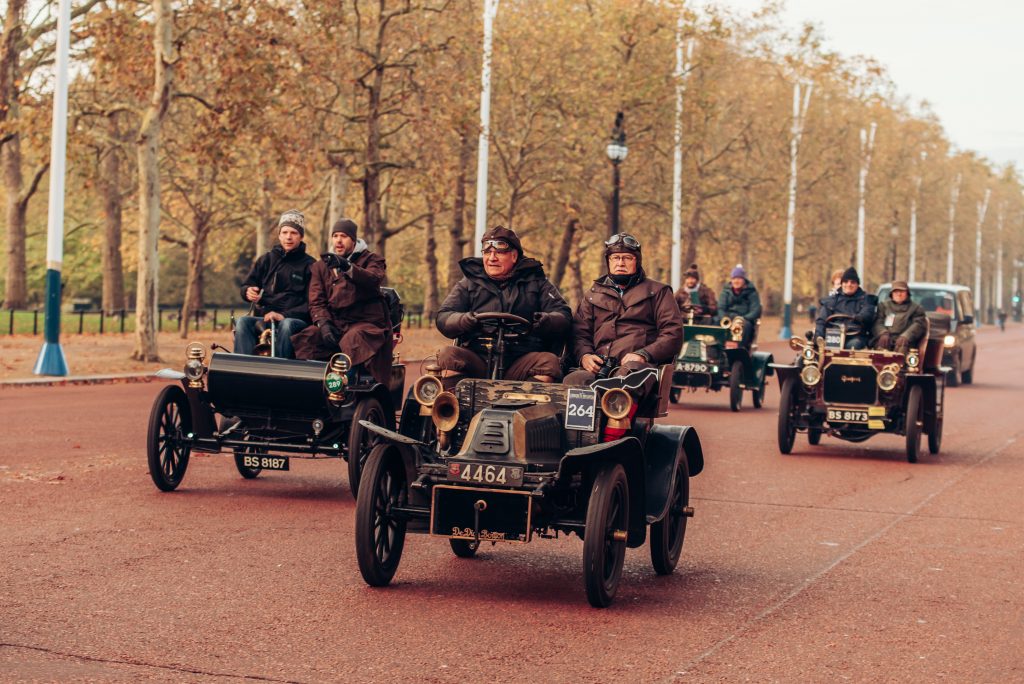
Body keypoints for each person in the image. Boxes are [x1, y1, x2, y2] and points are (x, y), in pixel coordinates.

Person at [435, 226, 571, 382]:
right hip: (477, 359)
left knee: (548, 362)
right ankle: (451, 405)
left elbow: (564, 315)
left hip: (521, 361)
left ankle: (527, 405)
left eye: (499, 253)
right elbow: (443, 316)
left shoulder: (537, 282)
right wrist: (464, 320)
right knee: (447, 355)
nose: (492, 258)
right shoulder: (469, 282)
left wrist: (546, 320)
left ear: (514, 256)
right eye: (487, 252)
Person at [565, 233, 683, 386]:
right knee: (574, 381)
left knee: (626, 380)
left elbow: (673, 333)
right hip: (599, 367)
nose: (620, 263)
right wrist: (585, 356)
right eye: (615, 258)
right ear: (608, 261)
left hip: (637, 368)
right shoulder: (593, 295)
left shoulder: (658, 292)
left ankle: (612, 405)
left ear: (637, 261)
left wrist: (644, 354)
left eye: (627, 258)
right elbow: (579, 334)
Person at [292, 219, 393, 384]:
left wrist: (347, 267)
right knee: (307, 338)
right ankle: (307, 389)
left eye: (344, 236)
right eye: (335, 236)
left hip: (367, 322)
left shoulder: (373, 260)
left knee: (352, 341)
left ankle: (343, 390)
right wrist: (324, 324)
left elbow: (373, 280)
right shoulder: (320, 266)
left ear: (353, 240)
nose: (338, 240)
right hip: (336, 322)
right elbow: (317, 301)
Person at [234, 209, 315, 358]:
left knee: (287, 325)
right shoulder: (266, 260)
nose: (288, 237)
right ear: (279, 235)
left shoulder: (311, 265)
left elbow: (311, 304)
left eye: (293, 233)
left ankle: (280, 372)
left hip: (294, 321)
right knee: (242, 322)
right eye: (284, 232)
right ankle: (244, 370)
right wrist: (247, 291)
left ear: (301, 236)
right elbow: (247, 284)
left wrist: (283, 315)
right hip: (264, 318)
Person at [815, 267, 876, 349]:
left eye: (852, 282)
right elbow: (821, 320)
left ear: (857, 284)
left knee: (854, 345)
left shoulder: (866, 299)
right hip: (833, 336)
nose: (849, 284)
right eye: (846, 282)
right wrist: (819, 336)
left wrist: (858, 317)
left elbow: (867, 313)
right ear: (842, 283)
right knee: (812, 351)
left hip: (856, 336)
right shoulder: (832, 300)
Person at [872, 280, 927, 352]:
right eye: (896, 291)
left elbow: (918, 324)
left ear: (907, 293)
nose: (899, 294)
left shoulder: (916, 308)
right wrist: (883, 333)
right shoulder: (883, 306)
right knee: (880, 349)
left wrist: (906, 336)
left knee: (902, 351)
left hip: (906, 341)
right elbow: (878, 321)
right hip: (886, 339)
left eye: (902, 291)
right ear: (891, 294)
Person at [717, 264, 761, 349]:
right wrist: (724, 319)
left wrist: (742, 319)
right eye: (734, 278)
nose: (736, 281)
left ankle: (740, 349)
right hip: (728, 319)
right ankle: (716, 349)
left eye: (739, 278)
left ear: (744, 280)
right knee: (715, 322)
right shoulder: (725, 292)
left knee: (747, 326)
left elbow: (755, 310)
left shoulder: (752, 292)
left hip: (744, 319)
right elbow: (721, 307)